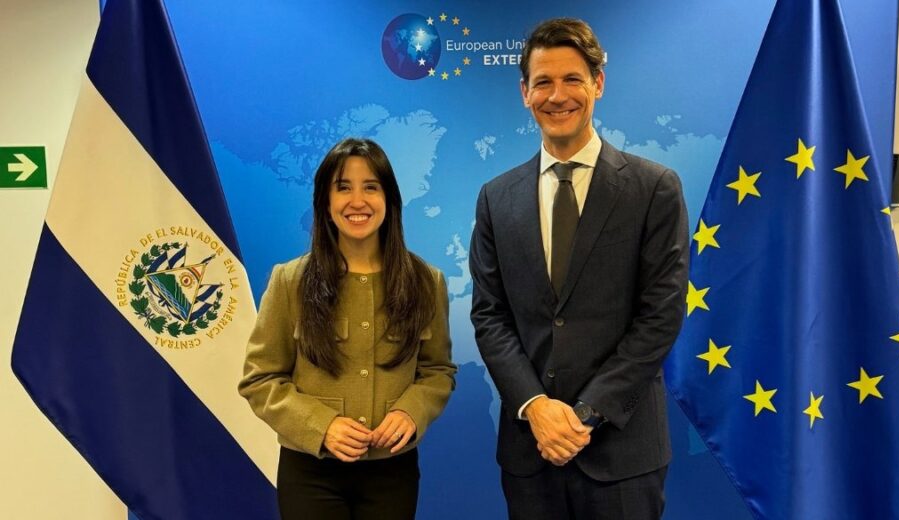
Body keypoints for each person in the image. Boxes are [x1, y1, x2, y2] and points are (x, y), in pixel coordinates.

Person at [469, 18, 689, 519]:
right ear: (525, 93)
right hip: (531, 454)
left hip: (623, 457)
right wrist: (536, 407)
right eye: (543, 82)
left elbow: (660, 316)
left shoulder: (653, 188)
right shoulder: (496, 198)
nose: (557, 95)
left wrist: (585, 415)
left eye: (572, 79)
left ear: (598, 83)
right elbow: (490, 316)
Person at [239, 138, 456, 520]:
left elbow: (437, 371)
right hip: (310, 473)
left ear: (389, 200)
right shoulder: (290, 281)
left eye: (371, 187)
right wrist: (321, 426)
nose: (358, 201)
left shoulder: (426, 282)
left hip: (393, 472)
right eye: (343, 188)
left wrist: (411, 411)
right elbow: (260, 380)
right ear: (325, 202)